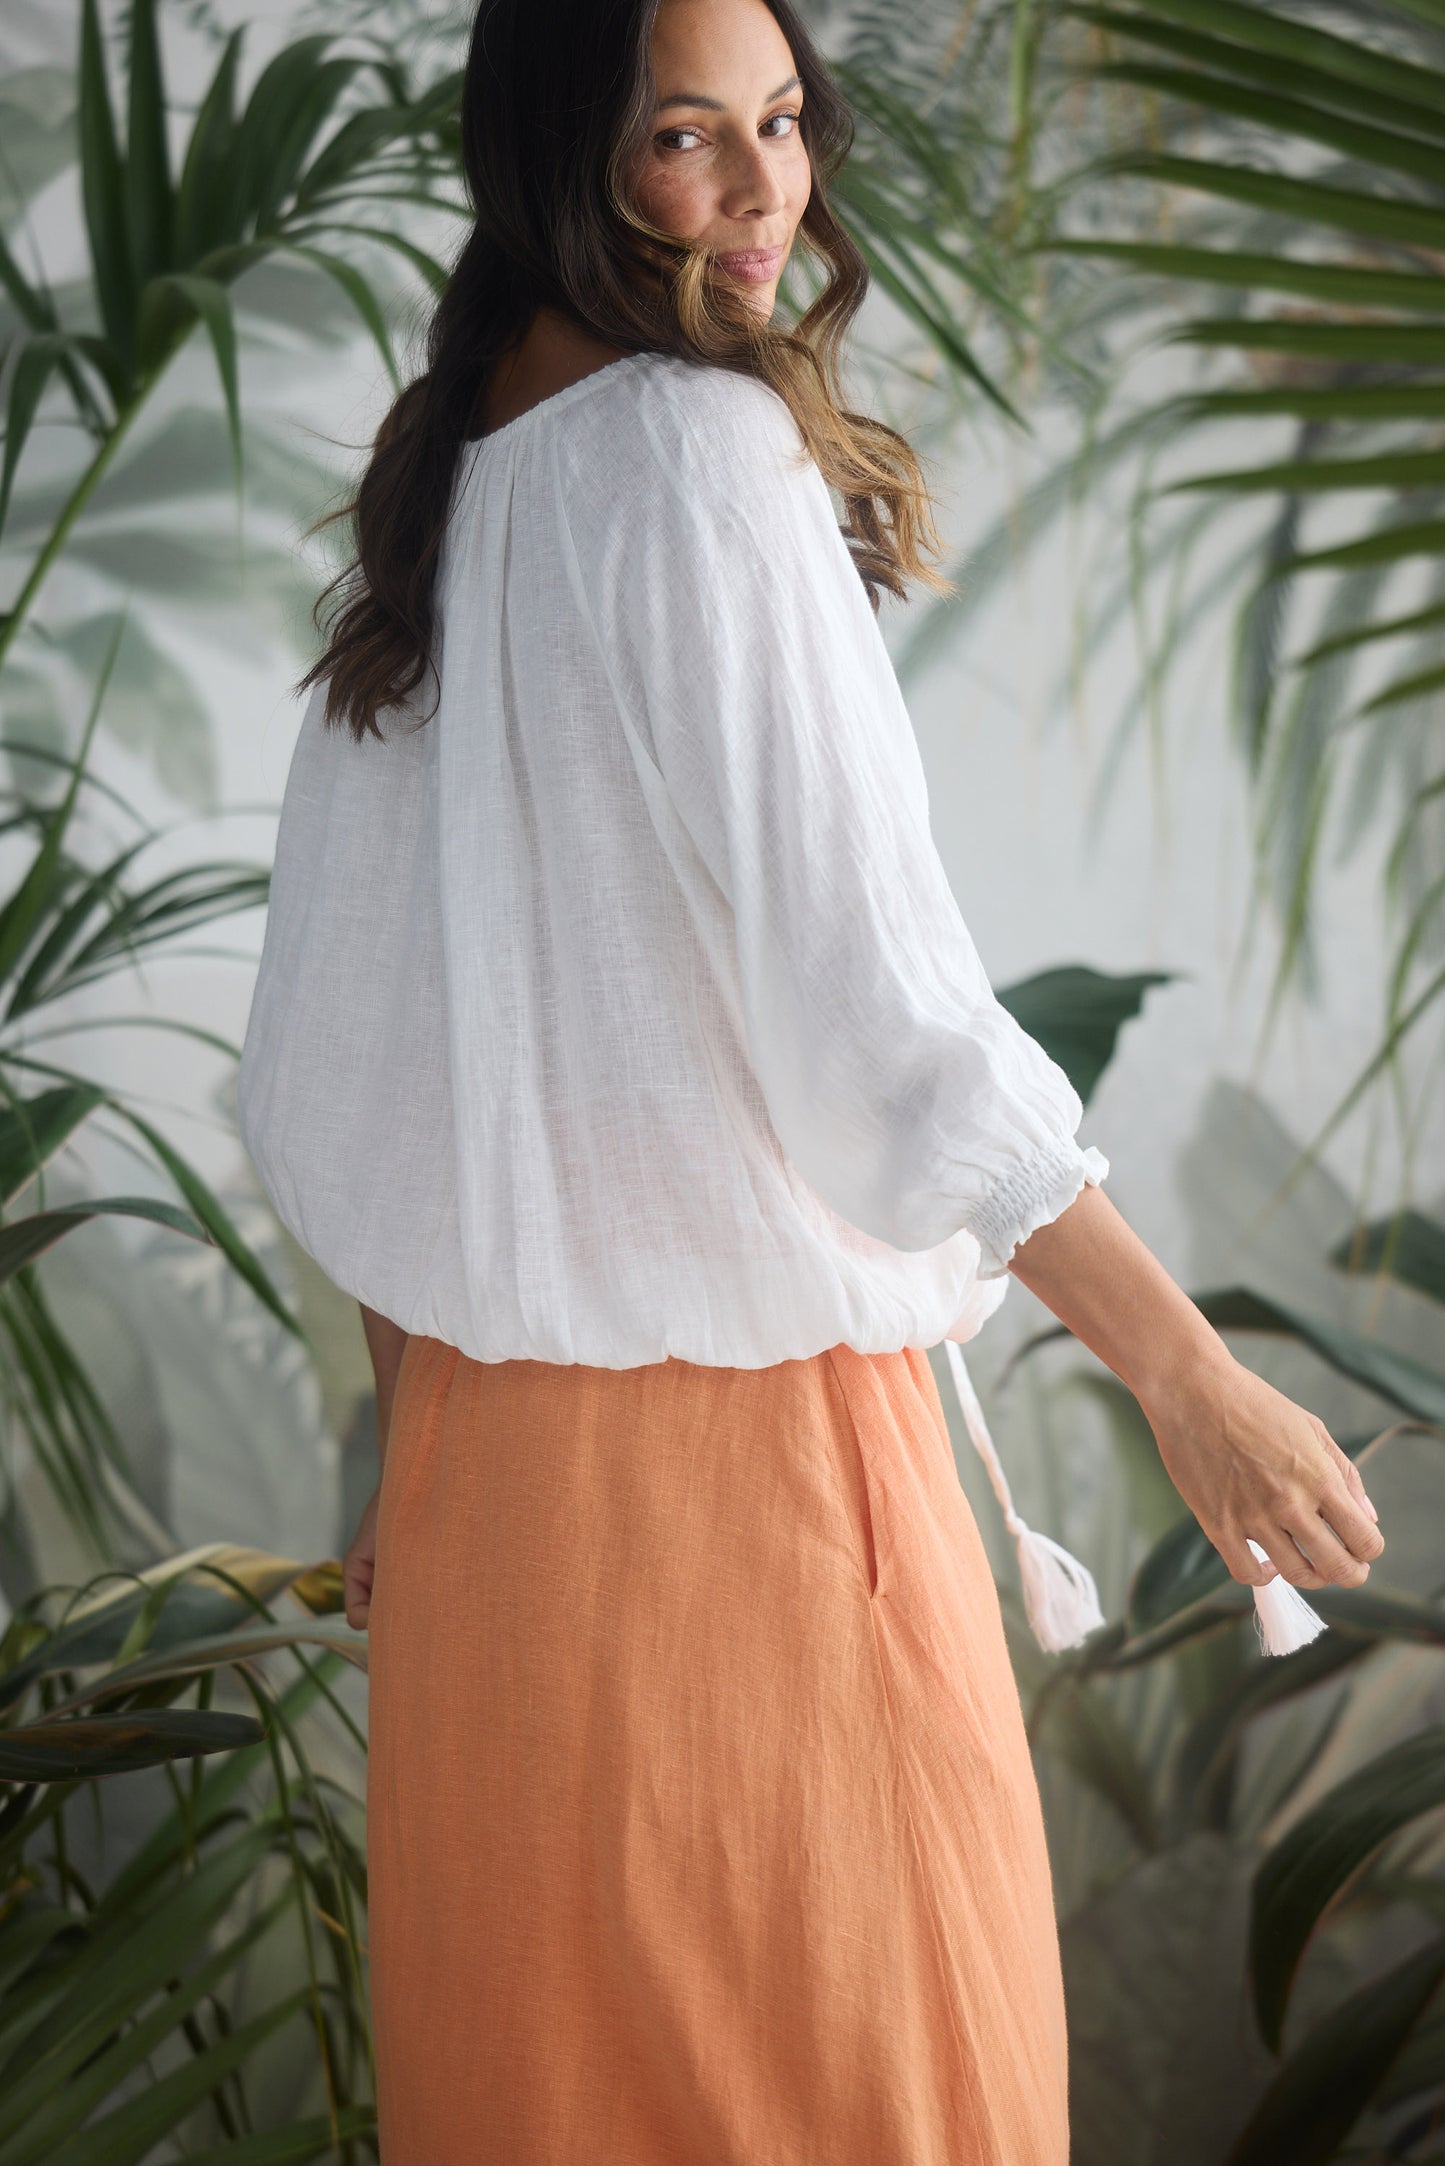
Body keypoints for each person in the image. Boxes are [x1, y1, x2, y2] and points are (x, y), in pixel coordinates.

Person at [234, 0, 1384, 2156]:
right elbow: (885, 1018)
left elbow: (353, 1067)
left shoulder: (438, 491)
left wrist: (411, 1445)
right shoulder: (694, 456)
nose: (767, 189)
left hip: (484, 1522)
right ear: (566, 152)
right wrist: (1185, 1373)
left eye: (780, 122)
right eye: (688, 137)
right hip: (750, 1505)